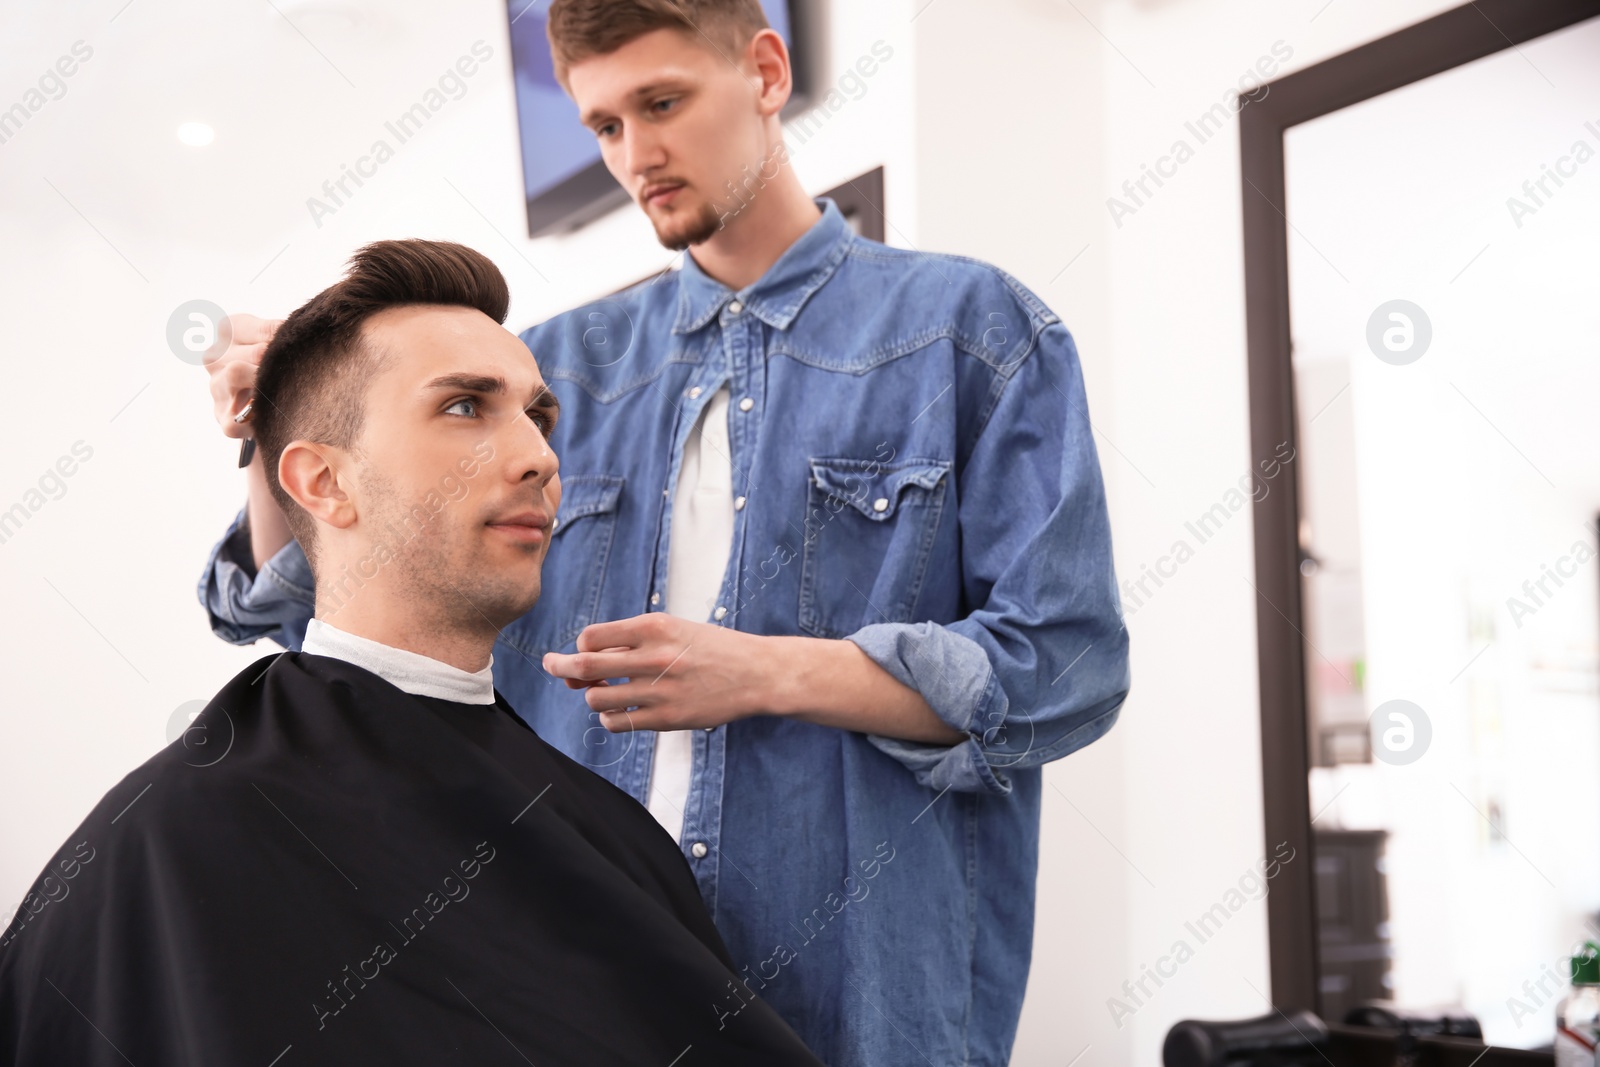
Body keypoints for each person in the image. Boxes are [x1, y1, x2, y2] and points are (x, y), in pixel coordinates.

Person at [199, 1, 1132, 1063]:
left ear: (767, 71)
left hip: (859, 997)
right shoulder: (546, 372)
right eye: (603, 125)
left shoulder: (972, 332)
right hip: (573, 978)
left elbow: (1068, 663)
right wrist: (273, 419)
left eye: (662, 102)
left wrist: (772, 672)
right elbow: (319, 609)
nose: (636, 156)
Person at [0, 239, 823, 1066]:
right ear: (323, 483)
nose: (540, 457)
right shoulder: (176, 837)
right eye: (465, 406)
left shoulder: (618, 841)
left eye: (538, 417)